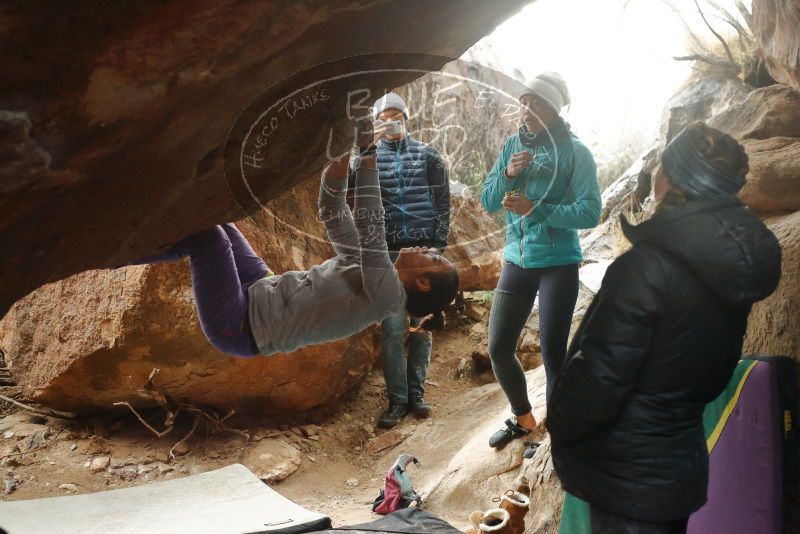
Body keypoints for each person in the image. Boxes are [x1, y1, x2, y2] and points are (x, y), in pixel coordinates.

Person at [547, 122, 782, 534]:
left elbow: (598, 378)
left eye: (661, 162)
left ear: (674, 178)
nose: (655, 170)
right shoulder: (726, 265)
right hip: (678, 466)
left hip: (626, 476)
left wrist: (560, 422)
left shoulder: (647, 267)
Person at [128, 120, 459, 358]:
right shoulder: (374, 271)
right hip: (260, 289)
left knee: (209, 240)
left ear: (424, 283)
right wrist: (343, 154)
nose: (426, 249)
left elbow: (371, 229)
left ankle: (116, 254)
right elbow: (331, 209)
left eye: (433, 258)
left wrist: (368, 153)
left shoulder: (387, 297)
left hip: (240, 326)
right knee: (219, 223)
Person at [480, 72, 601, 453]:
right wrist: (508, 173)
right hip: (518, 258)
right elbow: (487, 201)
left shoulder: (576, 152)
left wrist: (537, 209)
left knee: (552, 355)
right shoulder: (512, 144)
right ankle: (524, 420)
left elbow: (590, 211)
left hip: (558, 262)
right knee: (499, 347)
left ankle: (551, 437)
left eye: (537, 102)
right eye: (524, 100)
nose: (527, 108)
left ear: (554, 108)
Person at [365, 92, 452, 428]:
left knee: (421, 326)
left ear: (405, 117)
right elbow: (350, 190)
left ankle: (417, 395)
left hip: (421, 253)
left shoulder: (428, 155)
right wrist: (364, 149)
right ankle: (397, 401)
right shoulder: (369, 158)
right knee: (391, 329)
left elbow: (443, 202)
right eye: (383, 117)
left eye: (395, 115)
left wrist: (437, 248)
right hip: (388, 254)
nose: (390, 121)